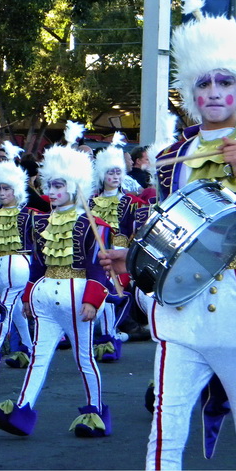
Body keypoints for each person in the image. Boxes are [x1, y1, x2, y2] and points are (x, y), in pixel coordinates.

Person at [99, 0, 236, 471]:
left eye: (225, 80)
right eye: (202, 81)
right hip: (179, 306)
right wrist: (133, 253)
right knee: (165, 426)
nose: (213, 91)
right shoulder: (173, 154)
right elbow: (169, 223)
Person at [0, 121, 114, 439]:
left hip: (78, 298)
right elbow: (38, 267)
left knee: (83, 358)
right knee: (38, 356)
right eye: (48, 186)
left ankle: (95, 411)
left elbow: (98, 269)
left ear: (75, 185)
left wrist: (93, 300)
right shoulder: (42, 223)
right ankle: (22, 410)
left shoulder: (93, 224)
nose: (51, 192)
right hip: (45, 298)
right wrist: (27, 297)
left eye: (58, 186)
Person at [88, 133, 146, 363]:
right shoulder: (91, 201)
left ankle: (109, 339)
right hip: (94, 254)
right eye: (110, 172)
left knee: (112, 294)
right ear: (102, 175)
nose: (114, 176)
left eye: (118, 172)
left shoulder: (131, 202)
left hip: (119, 254)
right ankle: (98, 337)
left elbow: (138, 231)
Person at [0, 147, 37, 379]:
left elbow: (38, 246)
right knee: (13, 311)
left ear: (16, 190)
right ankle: (30, 348)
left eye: (7, 188)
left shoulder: (30, 215)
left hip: (18, 265)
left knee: (5, 308)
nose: (3, 193)